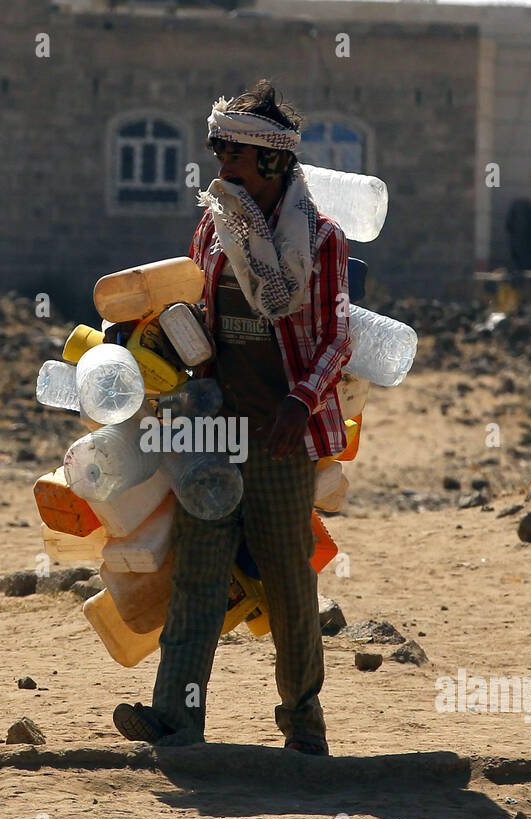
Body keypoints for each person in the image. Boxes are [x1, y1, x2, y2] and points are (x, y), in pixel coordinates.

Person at [113, 80, 351, 755]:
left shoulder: (320, 240)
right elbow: (191, 318)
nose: (222, 167)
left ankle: (304, 723)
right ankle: (177, 718)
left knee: (287, 582)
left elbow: (338, 339)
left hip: (283, 438)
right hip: (212, 431)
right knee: (198, 574)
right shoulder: (214, 229)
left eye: (236, 156)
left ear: (273, 163)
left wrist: (297, 402)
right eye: (220, 154)